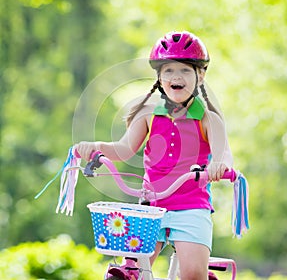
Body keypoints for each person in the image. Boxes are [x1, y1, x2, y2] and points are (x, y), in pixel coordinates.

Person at [76, 31, 233, 280]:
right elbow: (124, 149)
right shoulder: (148, 114)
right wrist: (94, 146)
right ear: (159, 78)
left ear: (200, 76)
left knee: (193, 274)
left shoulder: (208, 119)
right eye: (168, 70)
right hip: (151, 206)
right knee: (131, 271)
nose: (176, 76)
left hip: (191, 206)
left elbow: (223, 152)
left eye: (185, 70)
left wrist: (220, 166)